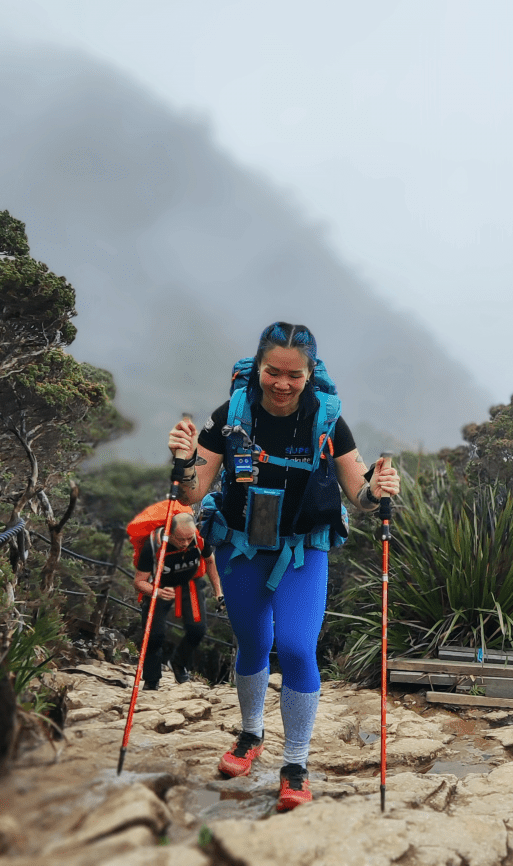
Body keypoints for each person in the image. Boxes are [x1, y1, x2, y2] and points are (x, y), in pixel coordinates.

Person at [167, 321, 398, 813]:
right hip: (239, 545)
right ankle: (251, 734)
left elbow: (359, 494)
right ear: (259, 367)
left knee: (295, 646)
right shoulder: (229, 417)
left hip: (302, 549)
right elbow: (192, 493)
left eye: (295, 375)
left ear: (310, 373)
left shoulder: (328, 419)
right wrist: (184, 461)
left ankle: (295, 763)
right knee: (252, 642)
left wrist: (378, 488)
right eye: (273, 371)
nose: (283, 383)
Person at [131, 510, 222, 691]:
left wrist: (218, 591)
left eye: (189, 538)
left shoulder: (197, 538)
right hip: (160, 586)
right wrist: (156, 592)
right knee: (154, 634)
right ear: (169, 533)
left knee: (197, 629)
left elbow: (210, 561)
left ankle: (179, 664)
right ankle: (152, 680)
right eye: (181, 539)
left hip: (189, 583)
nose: (186, 543)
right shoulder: (153, 545)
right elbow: (139, 582)